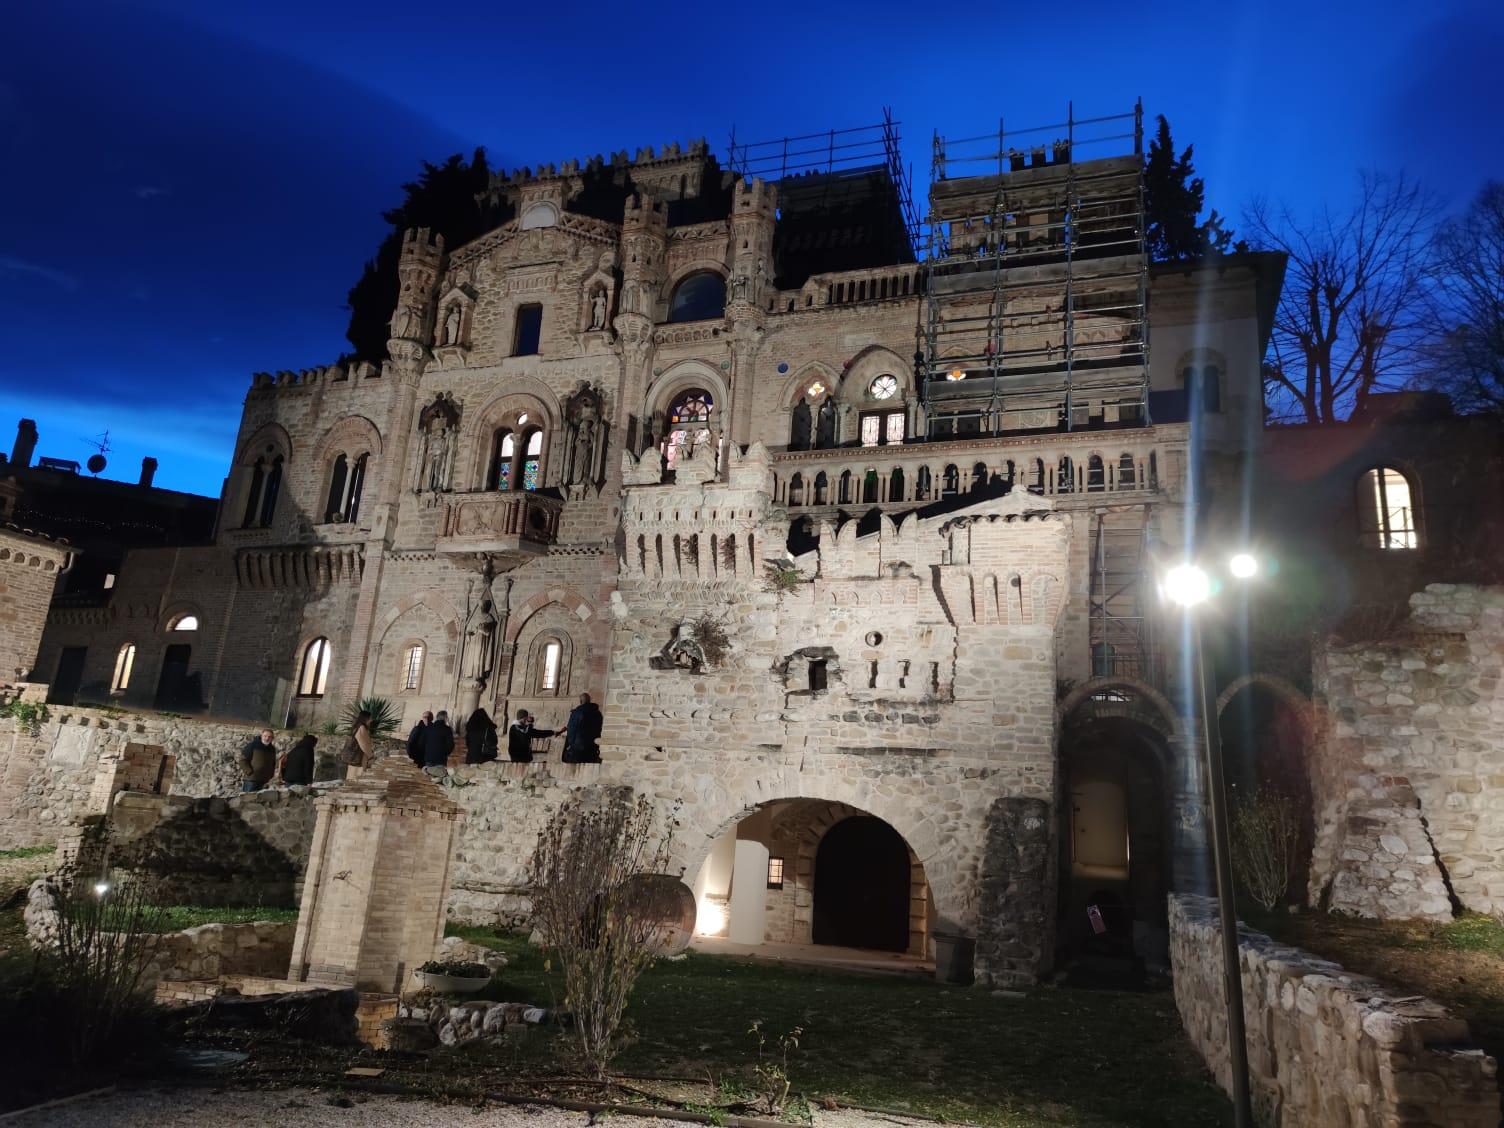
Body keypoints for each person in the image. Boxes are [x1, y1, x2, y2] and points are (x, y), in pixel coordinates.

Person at [563, 692, 603, 764]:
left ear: (580, 701)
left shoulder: (577, 713)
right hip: (592, 749)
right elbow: (599, 730)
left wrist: (571, 745)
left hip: (578, 749)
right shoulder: (597, 713)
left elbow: (571, 730)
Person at [240, 728, 277, 792]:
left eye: (269, 737)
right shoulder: (252, 745)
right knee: (247, 799)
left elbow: (273, 763)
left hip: (264, 780)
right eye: (265, 736)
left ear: (272, 738)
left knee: (260, 801)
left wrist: (270, 774)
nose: (267, 738)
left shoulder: (272, 749)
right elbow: (242, 760)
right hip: (251, 780)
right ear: (261, 736)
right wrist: (249, 772)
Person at [422, 709, 455, 777]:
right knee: (438, 779)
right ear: (445, 718)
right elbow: (450, 745)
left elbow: (423, 741)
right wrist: (445, 753)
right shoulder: (447, 729)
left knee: (427, 779)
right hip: (440, 758)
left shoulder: (429, 727)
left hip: (428, 757)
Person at [342, 710, 373, 779]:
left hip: (355, 757)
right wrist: (370, 756)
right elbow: (363, 744)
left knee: (351, 777)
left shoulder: (356, 727)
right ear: (366, 718)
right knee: (356, 777)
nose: (371, 720)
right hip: (359, 758)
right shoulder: (362, 728)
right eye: (370, 718)